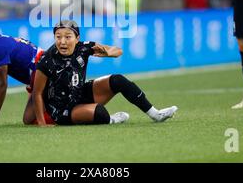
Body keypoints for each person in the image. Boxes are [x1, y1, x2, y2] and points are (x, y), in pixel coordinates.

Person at [33, 20, 178, 126]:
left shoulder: (83, 47)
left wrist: (108, 52)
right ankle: (111, 120)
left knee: (118, 80)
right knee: (100, 113)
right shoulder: (47, 59)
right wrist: (41, 123)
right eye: (58, 37)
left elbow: (119, 51)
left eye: (67, 36)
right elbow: (37, 92)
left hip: (80, 92)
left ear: (77, 39)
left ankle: (155, 114)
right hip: (62, 109)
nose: (62, 41)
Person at [0, 14, 54, 127]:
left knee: (29, 119)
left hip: (43, 72)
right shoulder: (0, 40)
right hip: (44, 68)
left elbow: (2, 85)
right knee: (28, 119)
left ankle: (64, 115)